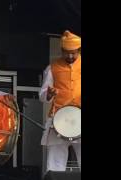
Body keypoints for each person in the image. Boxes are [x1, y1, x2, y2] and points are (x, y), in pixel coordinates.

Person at [39, 30, 81, 172]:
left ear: (79, 50)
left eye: (73, 52)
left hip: (80, 118)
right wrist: (49, 94)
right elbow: (42, 95)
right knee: (55, 164)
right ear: (62, 50)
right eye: (66, 52)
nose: (70, 56)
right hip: (59, 120)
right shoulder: (52, 68)